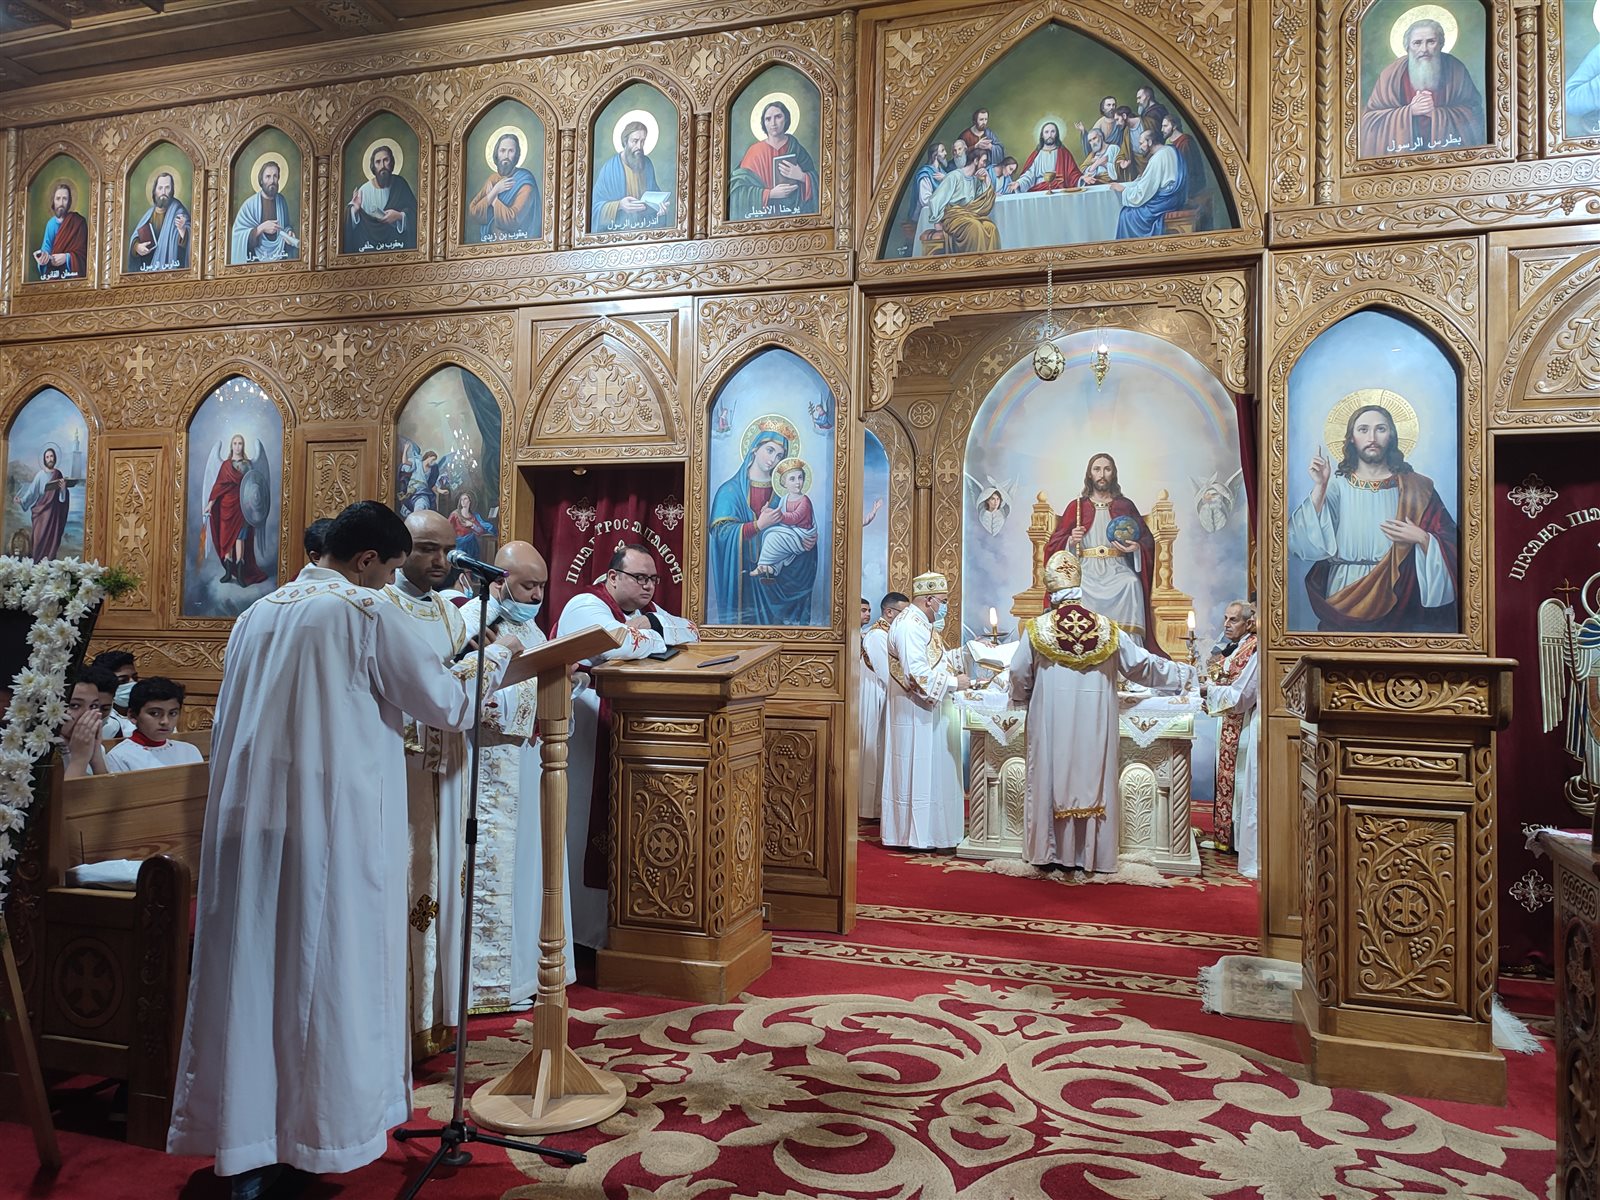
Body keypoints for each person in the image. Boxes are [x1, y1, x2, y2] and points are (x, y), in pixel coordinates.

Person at [167, 500, 521, 1199]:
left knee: (253, 979)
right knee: (322, 977)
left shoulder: (256, 614)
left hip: (251, 829)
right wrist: (502, 654)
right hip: (332, 831)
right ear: (366, 561)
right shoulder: (363, 613)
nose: (389, 580)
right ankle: (311, 1139)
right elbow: (447, 704)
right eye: (389, 568)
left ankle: (246, 1145)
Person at [1009, 551, 1193, 872]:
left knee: (1051, 773)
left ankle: (1049, 853)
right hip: (1096, 722)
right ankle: (1092, 855)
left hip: (1051, 720)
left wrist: (1020, 696)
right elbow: (1141, 666)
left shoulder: (1039, 629)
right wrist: (1184, 676)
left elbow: (1018, 672)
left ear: (1052, 593)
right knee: (1094, 775)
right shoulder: (1107, 628)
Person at [555, 543, 698, 948]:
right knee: (580, 825)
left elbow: (690, 631)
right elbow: (615, 643)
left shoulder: (643, 613)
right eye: (639, 577)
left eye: (653, 579)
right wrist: (654, 633)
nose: (649, 586)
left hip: (618, 726)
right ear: (613, 577)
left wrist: (647, 629)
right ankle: (578, 934)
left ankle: (608, 932)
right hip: (582, 728)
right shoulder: (585, 604)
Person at [377, 509, 474, 1053]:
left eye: (447, 550)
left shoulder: (449, 613)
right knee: (409, 884)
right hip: (402, 768)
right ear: (399, 550)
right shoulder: (380, 609)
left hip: (449, 768)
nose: (440, 560)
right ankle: (399, 1024)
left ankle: (438, 1018)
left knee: (446, 886)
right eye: (426, 549)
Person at [467, 541, 576, 1009]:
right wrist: (528, 709)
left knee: (534, 867)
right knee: (496, 872)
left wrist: (568, 683)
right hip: (491, 763)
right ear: (500, 581)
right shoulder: (476, 620)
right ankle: (491, 985)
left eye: (542, 587)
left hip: (535, 761)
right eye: (528, 585)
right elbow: (470, 694)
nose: (536, 596)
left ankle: (533, 974)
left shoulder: (531, 629)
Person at [1288, 401, 1458, 632]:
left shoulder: (1417, 487)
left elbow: (1453, 545)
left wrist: (1423, 538)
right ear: (1351, 437)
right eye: (1363, 429)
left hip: (1399, 590)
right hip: (1345, 590)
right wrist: (1320, 487)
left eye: (1381, 429)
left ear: (1392, 435)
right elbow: (1299, 544)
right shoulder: (1334, 486)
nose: (1372, 438)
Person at [1043, 453, 1165, 655]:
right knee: (1077, 588)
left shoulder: (1125, 506)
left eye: (1107, 469)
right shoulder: (1077, 506)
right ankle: (1083, 653)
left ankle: (1129, 656)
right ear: (1089, 474)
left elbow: (1147, 540)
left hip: (1117, 566)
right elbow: (1053, 545)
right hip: (1086, 568)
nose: (1102, 474)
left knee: (1131, 583)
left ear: (1113, 474)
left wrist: (1136, 548)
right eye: (1097, 469)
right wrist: (1071, 540)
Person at [881, 571, 969, 850]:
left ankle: (933, 833)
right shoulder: (910, 625)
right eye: (943, 601)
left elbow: (936, 660)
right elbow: (916, 674)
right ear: (928, 600)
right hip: (916, 712)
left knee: (932, 772)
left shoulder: (920, 622)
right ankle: (917, 836)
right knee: (919, 771)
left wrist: (969, 652)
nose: (945, 607)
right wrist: (954, 683)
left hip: (926, 710)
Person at [708, 428, 818, 624]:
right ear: (754, 449)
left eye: (780, 456)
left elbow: (799, 528)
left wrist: (807, 543)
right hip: (744, 584)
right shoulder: (729, 491)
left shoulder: (785, 494)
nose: (773, 459)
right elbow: (720, 535)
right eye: (769, 450)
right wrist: (758, 525)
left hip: (779, 582)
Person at [1359, 17, 1486, 156]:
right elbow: (1369, 121)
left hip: (1448, 155)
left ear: (1441, 44)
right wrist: (1410, 111)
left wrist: (1436, 114)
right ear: (1407, 47)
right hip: (1402, 159)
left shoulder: (1456, 69)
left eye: (1431, 42)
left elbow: (1474, 112)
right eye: (1417, 43)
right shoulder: (1390, 75)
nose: (1424, 49)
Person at [1204, 601, 1259, 874]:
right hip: (1228, 722)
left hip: (1244, 724)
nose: (1226, 624)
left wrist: (1208, 692)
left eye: (1233, 619)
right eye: (1225, 618)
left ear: (1249, 623)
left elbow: (1242, 694)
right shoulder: (1237, 646)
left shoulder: (1255, 648)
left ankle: (1238, 841)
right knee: (1229, 780)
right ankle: (1227, 838)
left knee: (1241, 784)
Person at [860, 591, 908, 823]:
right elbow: (887, 673)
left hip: (885, 694)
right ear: (889, 612)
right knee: (873, 748)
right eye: (903, 613)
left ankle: (879, 807)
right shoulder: (878, 635)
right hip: (875, 695)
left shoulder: (889, 633)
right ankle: (869, 808)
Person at [731, 99, 818, 218]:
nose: (773, 123)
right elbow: (738, 192)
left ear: (786, 119)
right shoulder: (754, 152)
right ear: (764, 123)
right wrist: (770, 194)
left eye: (778, 117)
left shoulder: (796, 149)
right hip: (762, 218)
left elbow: (820, 186)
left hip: (794, 216)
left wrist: (802, 176)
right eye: (768, 119)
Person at [204, 434, 270, 587]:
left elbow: (253, 485)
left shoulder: (248, 465)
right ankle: (228, 573)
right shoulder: (225, 465)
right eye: (235, 443)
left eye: (240, 443)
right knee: (226, 539)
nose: (237, 446)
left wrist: (254, 503)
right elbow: (218, 487)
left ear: (243, 445)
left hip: (242, 507)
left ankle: (240, 574)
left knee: (240, 538)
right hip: (226, 507)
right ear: (231, 446)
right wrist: (210, 504)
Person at [105, 677, 204, 773]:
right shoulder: (119, 757)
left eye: (172, 713)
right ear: (133, 716)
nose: (165, 721)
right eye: (154, 713)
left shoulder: (189, 751)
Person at [591, 119, 671, 232]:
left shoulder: (646, 164)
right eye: (635, 141)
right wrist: (619, 205)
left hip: (644, 230)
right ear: (625, 142)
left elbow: (654, 195)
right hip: (618, 233)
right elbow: (593, 208)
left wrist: (661, 207)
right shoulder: (610, 168)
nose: (639, 146)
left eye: (642, 141)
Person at [1112, 127, 1187, 238]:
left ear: (1150, 142)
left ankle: (1134, 246)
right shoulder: (1170, 149)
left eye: (1141, 143)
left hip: (1165, 202)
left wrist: (1124, 190)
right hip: (1176, 198)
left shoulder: (1157, 158)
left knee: (1127, 214)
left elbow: (1143, 192)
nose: (1140, 147)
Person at [467, 130, 541, 242]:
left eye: (511, 151)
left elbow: (513, 220)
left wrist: (494, 200)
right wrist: (495, 191)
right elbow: (474, 212)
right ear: (496, 154)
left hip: (519, 244)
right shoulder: (493, 179)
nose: (506, 156)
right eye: (502, 151)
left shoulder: (525, 181)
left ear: (517, 155)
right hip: (490, 244)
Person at [925, 145, 999, 254]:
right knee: (975, 227)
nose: (985, 165)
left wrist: (987, 179)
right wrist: (937, 221)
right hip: (953, 217)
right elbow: (936, 199)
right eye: (983, 161)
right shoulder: (954, 176)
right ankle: (973, 261)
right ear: (976, 161)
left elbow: (983, 201)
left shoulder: (975, 180)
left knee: (991, 227)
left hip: (969, 215)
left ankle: (988, 261)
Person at [345, 142, 417, 252]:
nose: (382, 166)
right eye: (378, 162)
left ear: (391, 162)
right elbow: (349, 228)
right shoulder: (364, 191)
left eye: (386, 160)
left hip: (397, 247)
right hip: (369, 248)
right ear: (373, 167)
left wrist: (399, 216)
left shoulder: (400, 184)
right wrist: (354, 210)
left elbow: (417, 215)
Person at [751, 458, 816, 577]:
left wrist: (778, 515)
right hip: (790, 533)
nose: (797, 482)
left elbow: (795, 517)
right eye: (792, 479)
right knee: (772, 537)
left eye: (800, 477)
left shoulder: (804, 500)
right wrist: (767, 512)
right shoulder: (784, 499)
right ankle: (770, 568)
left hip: (802, 536)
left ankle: (763, 565)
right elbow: (779, 516)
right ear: (784, 483)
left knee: (772, 537)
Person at [230, 159, 297, 263]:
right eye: (268, 176)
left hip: (280, 259)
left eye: (275, 176)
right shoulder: (249, 205)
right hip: (254, 262)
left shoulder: (281, 201)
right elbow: (237, 236)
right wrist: (261, 228)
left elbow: (285, 226)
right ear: (261, 180)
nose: (272, 181)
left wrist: (289, 232)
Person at [59, 666, 116, 779]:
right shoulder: (40, 751)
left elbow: (106, 789)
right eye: (75, 705)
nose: (87, 714)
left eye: (93, 706)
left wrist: (97, 759)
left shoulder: (92, 745)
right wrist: (79, 760)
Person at [16, 446, 72, 561]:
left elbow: (62, 498)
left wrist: (63, 490)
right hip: (41, 513)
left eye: (51, 456)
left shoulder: (58, 474)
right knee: (38, 539)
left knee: (51, 541)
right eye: (47, 457)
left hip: (54, 514)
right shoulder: (40, 475)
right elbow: (32, 492)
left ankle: (48, 563)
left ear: (55, 458)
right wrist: (22, 501)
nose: (50, 459)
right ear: (44, 459)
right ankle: (36, 563)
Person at [128, 170, 190, 271]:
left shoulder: (178, 211)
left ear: (172, 190)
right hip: (148, 270)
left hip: (173, 270)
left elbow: (191, 241)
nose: (163, 192)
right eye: (160, 188)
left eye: (167, 187)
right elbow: (136, 237)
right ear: (154, 190)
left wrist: (182, 230)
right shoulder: (149, 214)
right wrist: (137, 247)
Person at [34, 181, 87, 279]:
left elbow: (84, 254)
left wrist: (67, 258)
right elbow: (46, 249)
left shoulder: (79, 222)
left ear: (69, 202)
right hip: (54, 275)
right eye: (58, 199)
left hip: (72, 276)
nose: (61, 203)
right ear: (53, 201)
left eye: (65, 199)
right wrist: (42, 258)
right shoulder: (51, 224)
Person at [1011, 121, 1082, 192]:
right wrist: (1019, 183)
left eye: (1053, 131)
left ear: (1056, 134)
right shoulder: (1037, 154)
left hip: (1058, 189)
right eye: (1046, 132)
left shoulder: (1064, 153)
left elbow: (1073, 173)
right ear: (1042, 135)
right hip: (1039, 189)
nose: (1049, 135)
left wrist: (1081, 179)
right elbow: (1029, 174)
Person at [90, 648, 138, 737]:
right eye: (123, 681)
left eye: (135, 678)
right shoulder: (104, 720)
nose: (133, 684)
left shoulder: (146, 711)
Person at [1161, 113, 1204, 204]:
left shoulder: (1185, 142)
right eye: (1162, 126)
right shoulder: (1168, 142)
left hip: (1187, 184)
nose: (1162, 129)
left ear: (1174, 126)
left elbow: (1189, 170)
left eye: (1165, 126)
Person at [448, 491, 494, 560]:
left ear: (470, 501)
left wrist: (472, 525)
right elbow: (447, 528)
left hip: (472, 545)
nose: (463, 501)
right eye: (461, 499)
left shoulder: (474, 516)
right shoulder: (455, 515)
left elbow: (480, 531)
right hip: (459, 545)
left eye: (465, 499)